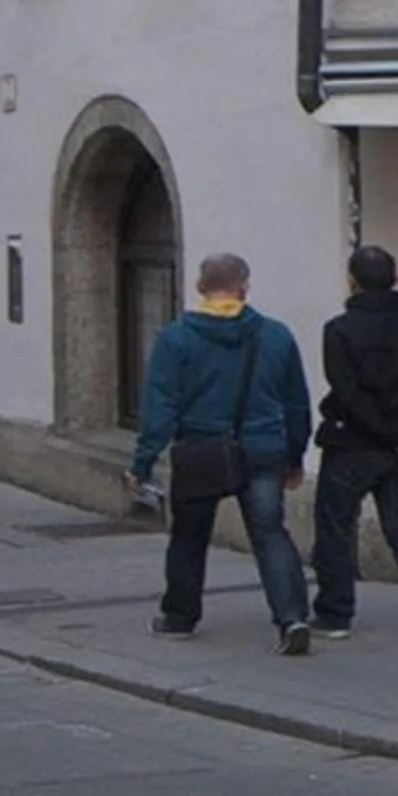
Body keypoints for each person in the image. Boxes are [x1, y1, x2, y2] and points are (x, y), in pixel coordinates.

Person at [126, 252, 317, 654]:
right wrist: (295, 456)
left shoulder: (175, 338)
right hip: (264, 448)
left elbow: (160, 408)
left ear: (199, 288)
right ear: (245, 285)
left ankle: (179, 617)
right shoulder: (276, 335)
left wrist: (142, 462)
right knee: (269, 533)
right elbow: (297, 403)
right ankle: (293, 616)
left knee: (189, 536)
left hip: (201, 449)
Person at [311, 245, 398, 645]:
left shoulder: (338, 330)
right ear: (394, 279)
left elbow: (348, 392)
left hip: (351, 444)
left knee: (336, 526)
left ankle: (335, 613)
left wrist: (391, 436)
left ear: (352, 281)